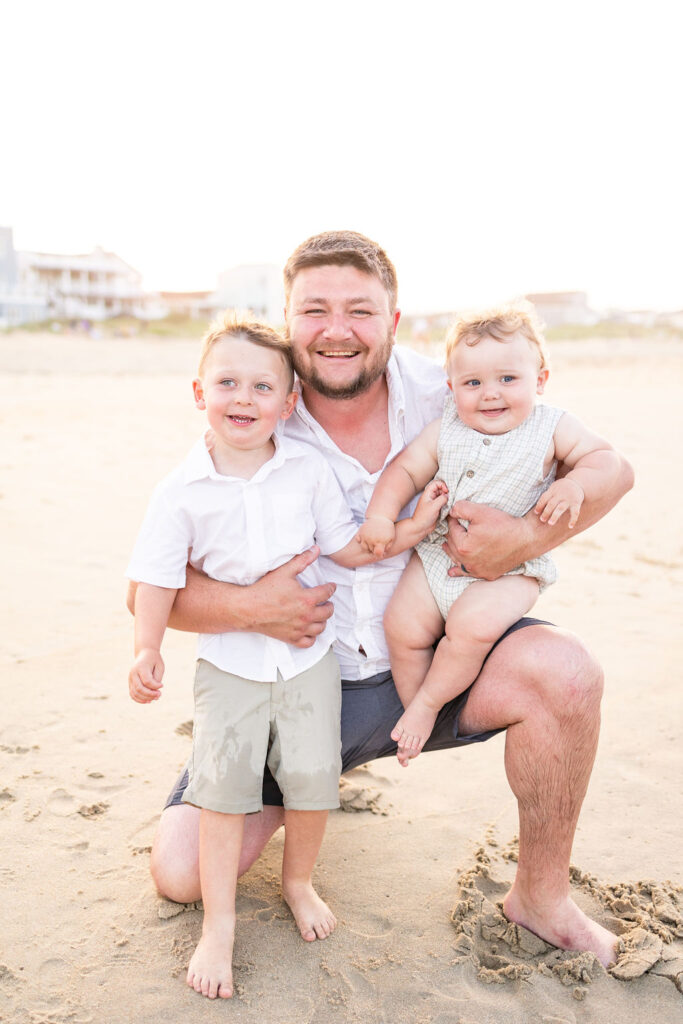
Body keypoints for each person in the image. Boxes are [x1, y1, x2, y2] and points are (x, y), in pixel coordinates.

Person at [127, 231, 633, 971]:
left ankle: (541, 899)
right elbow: (150, 590)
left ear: (394, 321)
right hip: (296, 688)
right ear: (288, 317)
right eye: (315, 310)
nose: (336, 329)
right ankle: (314, 774)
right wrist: (249, 609)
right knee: (177, 876)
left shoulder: (460, 388)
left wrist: (521, 538)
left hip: (432, 666)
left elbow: (611, 470)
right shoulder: (254, 410)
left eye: (359, 310)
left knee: (566, 673)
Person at [126, 314, 444, 1000]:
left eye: (261, 386)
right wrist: (146, 648)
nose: (243, 397)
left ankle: (298, 881)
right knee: (222, 795)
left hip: (308, 664)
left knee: (309, 780)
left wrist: (411, 529)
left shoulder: (304, 468)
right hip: (230, 670)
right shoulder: (180, 490)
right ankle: (219, 924)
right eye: (227, 382)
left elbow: (345, 543)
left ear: (288, 402)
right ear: (197, 391)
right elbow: (155, 578)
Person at [357, 303, 622, 766]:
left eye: (508, 379)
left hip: (510, 573)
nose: (490, 394)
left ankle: (427, 705)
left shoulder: (551, 426)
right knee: (401, 627)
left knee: (471, 629)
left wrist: (574, 482)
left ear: (539, 380)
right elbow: (404, 471)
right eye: (473, 383)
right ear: (451, 388)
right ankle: (418, 705)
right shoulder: (446, 429)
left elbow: (606, 459)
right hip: (437, 558)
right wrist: (381, 515)